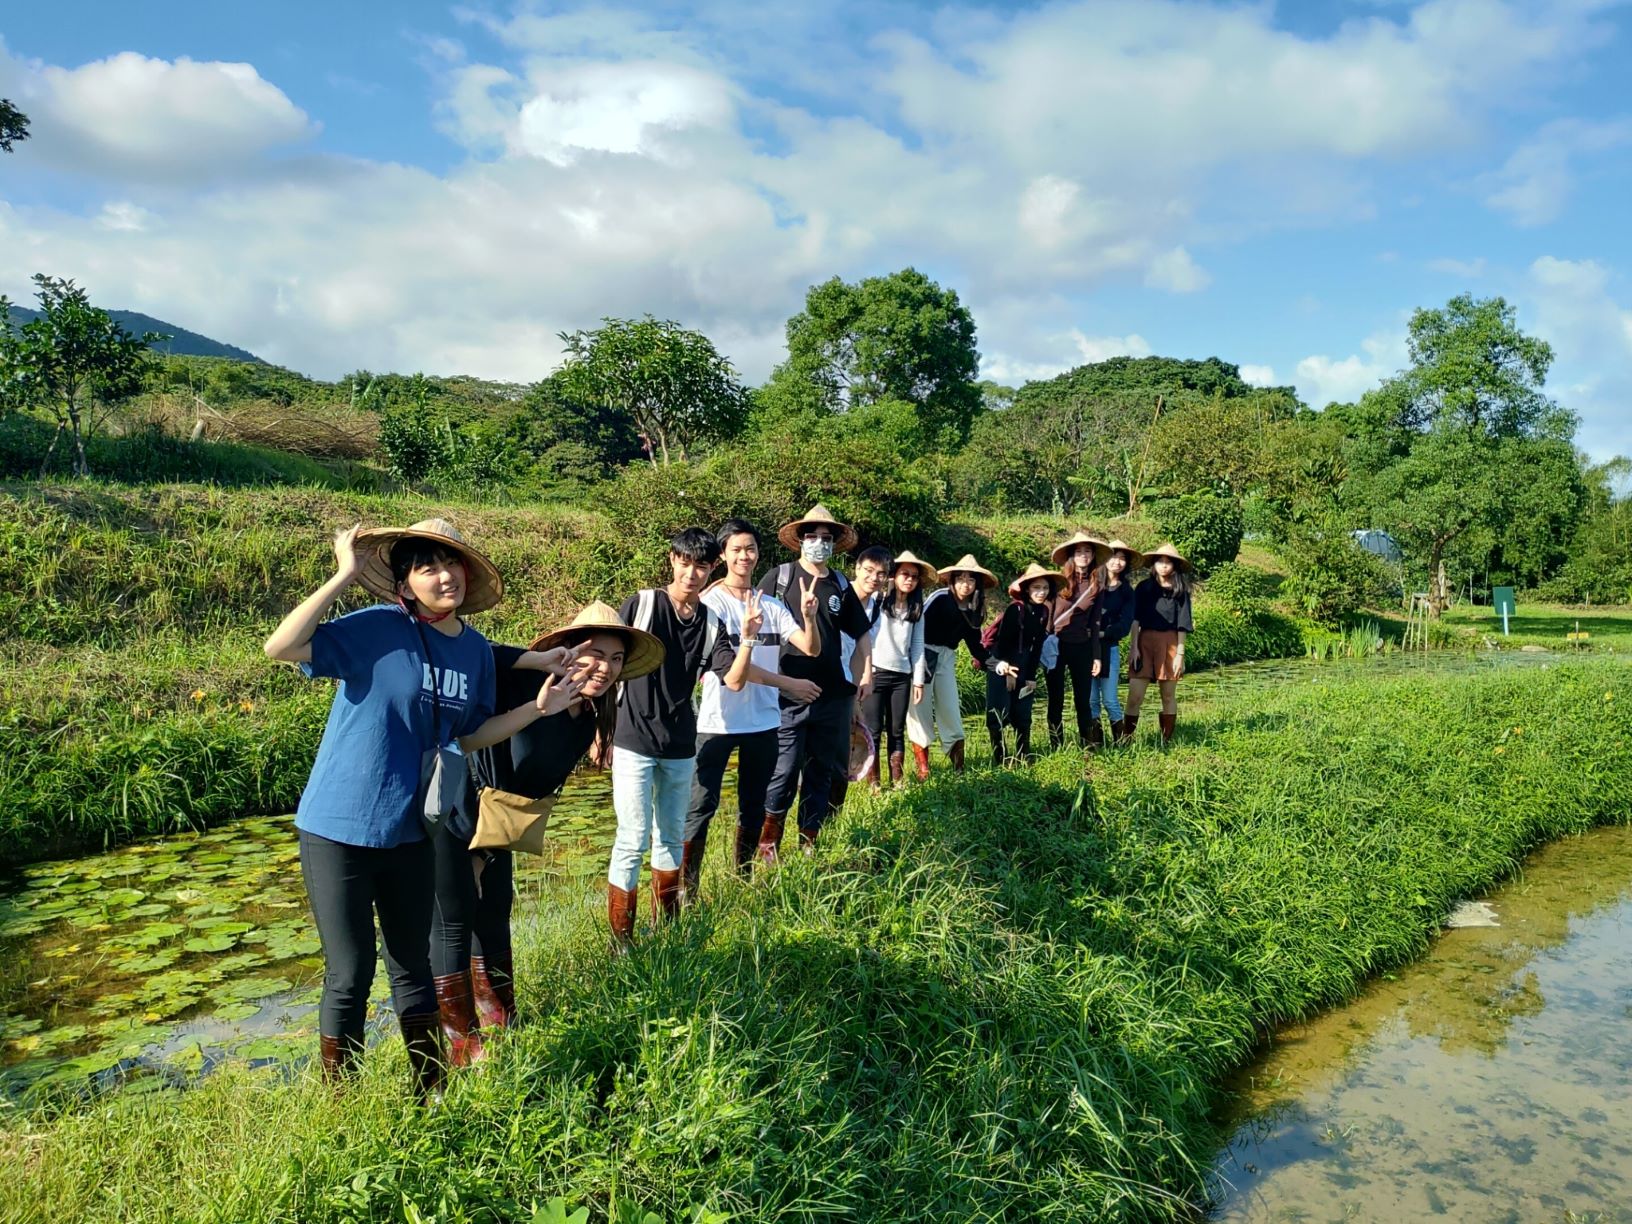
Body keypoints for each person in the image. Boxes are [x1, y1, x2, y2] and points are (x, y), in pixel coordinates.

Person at [263, 518, 549, 1098]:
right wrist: (343, 575)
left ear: (468, 573)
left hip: (412, 829)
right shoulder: (377, 628)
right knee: (349, 974)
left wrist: (538, 708)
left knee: (413, 965)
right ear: (405, 583)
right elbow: (282, 646)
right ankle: (344, 1100)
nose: (444, 576)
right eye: (427, 568)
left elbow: (468, 735)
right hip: (338, 825)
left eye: (452, 564)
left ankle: (431, 1090)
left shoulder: (473, 650)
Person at [431, 602, 663, 1065]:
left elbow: (531, 792)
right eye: (594, 653)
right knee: (453, 922)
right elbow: (474, 652)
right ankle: (458, 1044)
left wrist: (487, 855)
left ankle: (500, 1018)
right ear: (566, 651)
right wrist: (536, 661)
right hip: (454, 815)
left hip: (496, 830)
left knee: (495, 914)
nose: (605, 667)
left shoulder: (589, 715)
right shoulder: (525, 685)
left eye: (616, 659)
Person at [681, 519, 819, 901]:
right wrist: (790, 684)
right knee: (700, 806)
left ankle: (741, 880)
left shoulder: (771, 605)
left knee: (753, 805)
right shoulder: (712, 604)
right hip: (717, 721)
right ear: (722, 555)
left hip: (764, 721)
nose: (745, 556)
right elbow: (731, 673)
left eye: (751, 549)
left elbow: (809, 648)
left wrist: (809, 616)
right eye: (737, 549)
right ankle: (685, 892)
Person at [608, 528, 727, 942]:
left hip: (680, 744)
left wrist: (748, 636)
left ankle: (667, 932)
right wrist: (599, 731)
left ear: (712, 570)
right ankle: (621, 941)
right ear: (672, 560)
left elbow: (733, 676)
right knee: (632, 837)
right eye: (685, 562)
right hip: (633, 739)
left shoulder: (712, 622)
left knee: (671, 836)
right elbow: (607, 665)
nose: (691, 573)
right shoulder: (642, 604)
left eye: (702, 566)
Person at [756, 505, 876, 857]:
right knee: (783, 771)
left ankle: (809, 845)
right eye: (813, 536)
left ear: (835, 544)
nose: (819, 543)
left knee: (823, 772)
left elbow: (862, 635)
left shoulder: (840, 584)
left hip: (833, 695)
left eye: (827, 538)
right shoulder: (780, 579)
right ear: (801, 541)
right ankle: (768, 849)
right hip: (788, 695)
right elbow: (756, 632)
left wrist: (863, 676)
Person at [908, 554, 996, 774]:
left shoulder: (973, 609)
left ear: (977, 584)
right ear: (952, 580)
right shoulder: (939, 599)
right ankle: (923, 769)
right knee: (920, 710)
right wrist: (915, 662)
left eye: (971, 580)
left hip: (947, 658)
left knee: (950, 708)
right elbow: (916, 629)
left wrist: (993, 662)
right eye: (960, 578)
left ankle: (958, 768)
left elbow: (975, 644)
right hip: (923, 656)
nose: (965, 584)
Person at [862, 551, 934, 786]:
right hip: (875, 672)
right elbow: (864, 635)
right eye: (905, 574)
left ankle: (898, 780)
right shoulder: (878, 602)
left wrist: (919, 680)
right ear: (893, 576)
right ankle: (874, 784)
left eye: (914, 576)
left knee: (896, 730)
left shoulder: (916, 610)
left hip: (901, 676)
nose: (909, 580)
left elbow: (917, 645)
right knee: (873, 730)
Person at [985, 563, 1061, 765]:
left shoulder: (1043, 612)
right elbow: (1003, 643)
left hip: (1025, 662)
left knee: (1023, 713)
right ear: (1026, 588)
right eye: (1036, 588)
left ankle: (1023, 757)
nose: (1041, 592)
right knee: (998, 715)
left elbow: (1036, 647)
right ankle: (999, 760)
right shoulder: (1015, 609)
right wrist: (1008, 672)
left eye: (1045, 588)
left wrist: (1030, 677)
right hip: (1003, 663)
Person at [1125, 542, 1194, 745]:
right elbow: (1135, 620)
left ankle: (1167, 739)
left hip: (1170, 642)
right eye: (1160, 562)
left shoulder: (1181, 591)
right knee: (1135, 695)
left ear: (1174, 566)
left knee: (1167, 694)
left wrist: (1180, 655)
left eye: (1168, 562)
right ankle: (1126, 739)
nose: (1164, 566)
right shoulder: (1144, 588)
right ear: (1153, 565)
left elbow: (1183, 625)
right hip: (1144, 641)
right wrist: (1134, 647)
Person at [1047, 532, 1109, 749]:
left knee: (1082, 700)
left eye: (1088, 551)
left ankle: (1087, 745)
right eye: (1079, 551)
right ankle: (1056, 746)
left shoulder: (1096, 586)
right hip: (1057, 645)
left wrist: (1097, 656)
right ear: (1072, 555)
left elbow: (1096, 623)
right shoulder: (1058, 583)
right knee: (1056, 699)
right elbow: (1048, 615)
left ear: (1093, 556)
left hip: (1082, 645)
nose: (1083, 556)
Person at [1087, 540, 1139, 747]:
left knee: (1109, 699)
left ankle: (1123, 743)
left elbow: (1125, 625)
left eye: (1122, 558)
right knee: (1091, 701)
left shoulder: (1126, 591)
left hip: (1110, 647)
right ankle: (1096, 744)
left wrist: (1100, 633)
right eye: (1113, 556)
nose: (1117, 562)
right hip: (1088, 649)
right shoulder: (1092, 585)